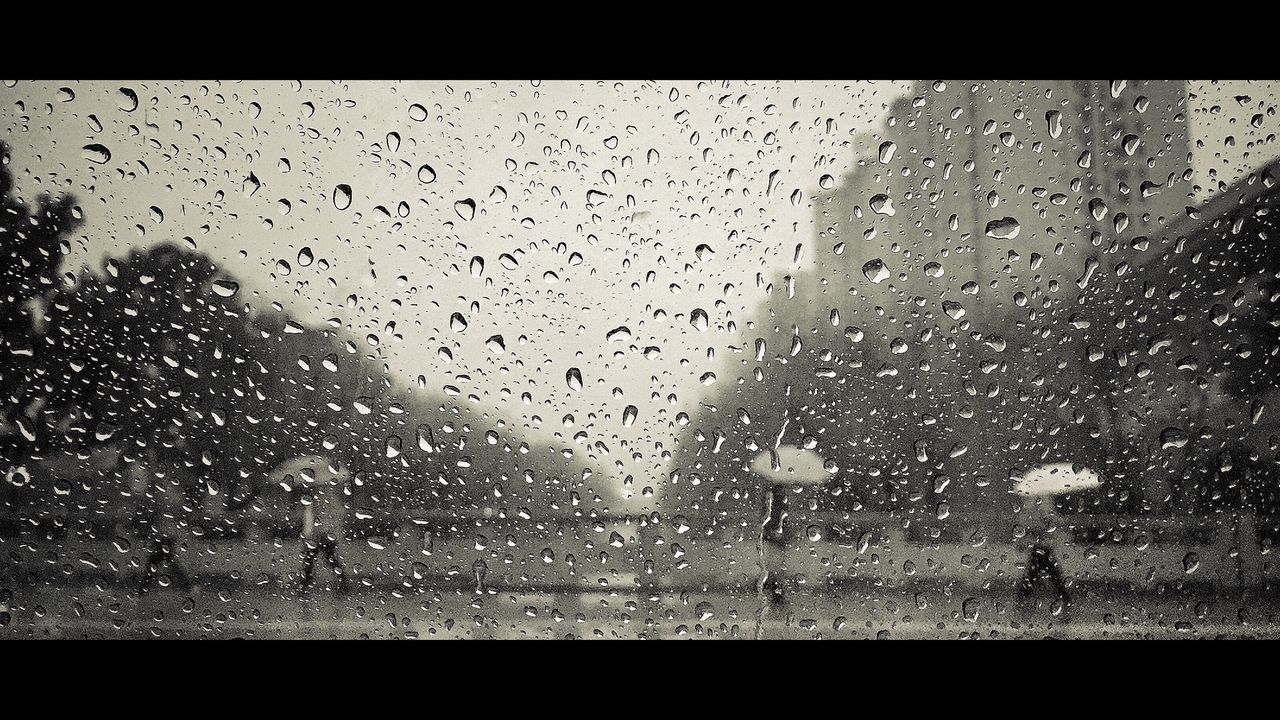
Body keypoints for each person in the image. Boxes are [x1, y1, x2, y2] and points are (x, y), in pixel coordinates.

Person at [132, 452, 193, 595]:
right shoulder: (167, 488)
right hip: (165, 529)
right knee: (164, 559)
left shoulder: (163, 489)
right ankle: (186, 585)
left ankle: (144, 589)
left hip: (165, 530)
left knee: (157, 560)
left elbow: (159, 506)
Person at [296, 460, 351, 594]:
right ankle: (342, 583)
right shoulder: (332, 498)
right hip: (328, 535)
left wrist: (309, 534)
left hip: (320, 535)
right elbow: (338, 516)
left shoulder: (317, 499)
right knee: (328, 559)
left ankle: (305, 585)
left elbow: (313, 519)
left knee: (311, 560)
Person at [1017, 498, 1071, 611]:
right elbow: (1029, 528)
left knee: (1046, 575)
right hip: (1040, 549)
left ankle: (1022, 597)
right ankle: (1022, 597)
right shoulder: (1034, 512)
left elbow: (1054, 526)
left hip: (1044, 549)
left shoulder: (1046, 511)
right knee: (1038, 575)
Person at [760, 483, 789, 607]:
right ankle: (776, 594)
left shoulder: (770, 504)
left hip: (773, 540)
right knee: (776, 568)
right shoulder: (781, 505)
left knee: (773, 567)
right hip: (775, 541)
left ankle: (775, 593)